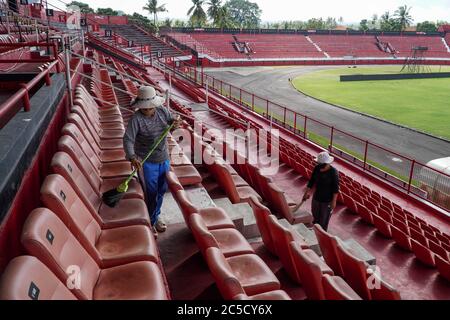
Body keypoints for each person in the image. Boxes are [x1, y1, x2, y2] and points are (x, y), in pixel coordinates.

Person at [123, 86, 181, 236]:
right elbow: (128, 139)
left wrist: (175, 124)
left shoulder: (162, 111)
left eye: (149, 107)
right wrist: (132, 157)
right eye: (144, 108)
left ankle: (155, 216)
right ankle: (150, 220)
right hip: (146, 160)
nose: (147, 110)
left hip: (163, 157)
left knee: (162, 189)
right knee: (151, 191)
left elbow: (171, 126)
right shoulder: (136, 119)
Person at [295, 151, 339, 231]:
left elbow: (335, 189)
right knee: (315, 217)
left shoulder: (333, 173)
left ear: (327, 164)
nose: (320, 167)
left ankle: (321, 235)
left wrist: (334, 202)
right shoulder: (317, 168)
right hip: (316, 198)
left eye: (322, 165)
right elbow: (311, 182)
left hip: (327, 201)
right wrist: (305, 193)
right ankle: (316, 232)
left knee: (323, 220)